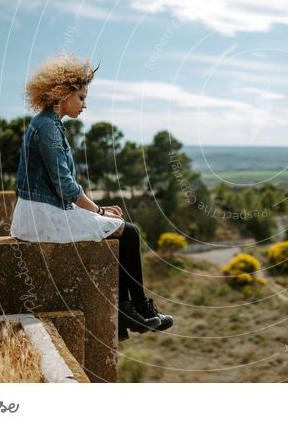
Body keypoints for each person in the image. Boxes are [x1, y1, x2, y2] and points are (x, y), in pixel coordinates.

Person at [10, 53, 172, 339]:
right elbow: (66, 186)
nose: (85, 104)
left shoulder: (48, 124)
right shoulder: (47, 128)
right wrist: (97, 212)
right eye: (82, 97)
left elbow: (63, 187)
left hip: (42, 211)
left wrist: (97, 210)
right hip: (41, 216)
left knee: (121, 230)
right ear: (64, 93)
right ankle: (137, 310)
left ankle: (130, 314)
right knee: (128, 232)